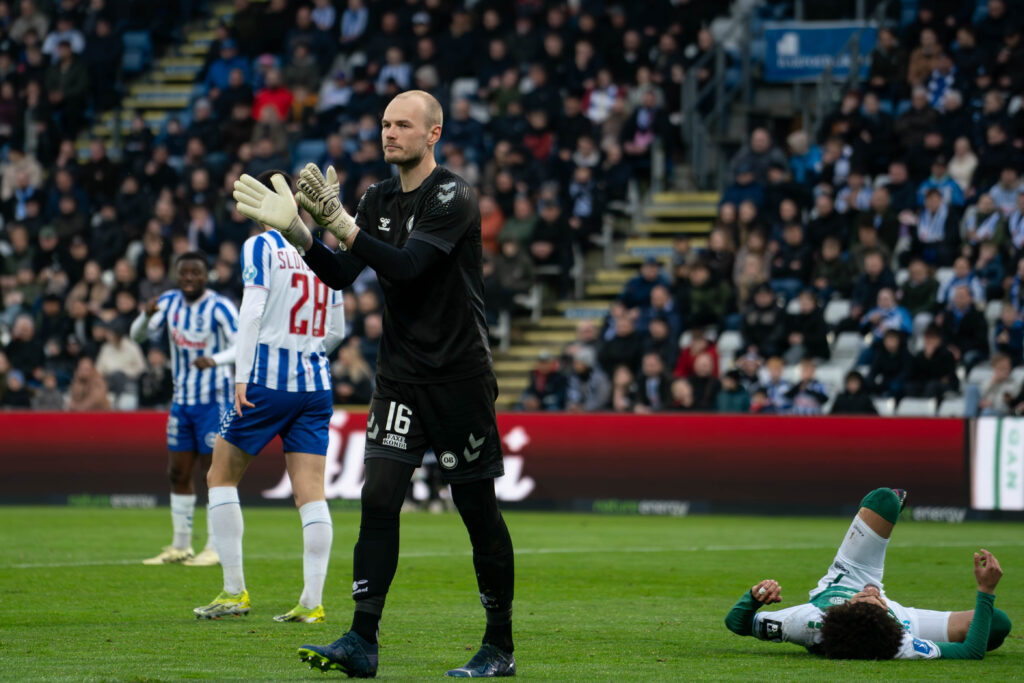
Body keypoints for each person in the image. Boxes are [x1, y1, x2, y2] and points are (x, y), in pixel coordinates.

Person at [231, 90, 516, 677]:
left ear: (432, 134)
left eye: (403, 125)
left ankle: (499, 645)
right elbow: (340, 274)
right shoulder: (377, 197)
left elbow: (408, 265)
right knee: (379, 498)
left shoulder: (452, 196)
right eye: (386, 124)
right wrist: (304, 235)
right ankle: (362, 640)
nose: (390, 133)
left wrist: (339, 224)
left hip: (458, 376)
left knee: (476, 508)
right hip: (400, 377)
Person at [193, 171, 346, 624]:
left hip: (266, 382)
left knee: (220, 476)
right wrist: (308, 352)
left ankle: (234, 591)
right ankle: (312, 602)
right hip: (315, 385)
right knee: (311, 495)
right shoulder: (323, 251)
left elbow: (251, 314)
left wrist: (243, 378)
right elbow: (336, 332)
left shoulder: (261, 246)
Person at [724, 487, 1011, 659]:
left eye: (864, 598)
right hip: (906, 622)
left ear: (846, 606)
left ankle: (887, 508)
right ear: (890, 619)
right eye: (878, 601)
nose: (873, 591)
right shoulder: (901, 645)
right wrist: (986, 591)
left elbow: (737, 623)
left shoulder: (804, 624)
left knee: (884, 499)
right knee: (997, 624)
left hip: (850, 575)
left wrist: (754, 597)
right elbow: (971, 653)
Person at [130, 252, 239, 567]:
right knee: (177, 471)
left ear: (207, 276)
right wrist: (142, 315)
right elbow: (138, 335)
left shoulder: (220, 306)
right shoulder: (168, 303)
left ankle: (215, 547)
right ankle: (180, 546)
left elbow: (244, 342)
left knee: (214, 474)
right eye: (184, 273)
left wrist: (215, 360)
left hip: (214, 399)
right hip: (182, 401)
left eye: (196, 273)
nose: (189, 278)